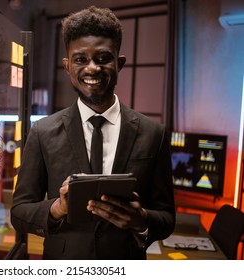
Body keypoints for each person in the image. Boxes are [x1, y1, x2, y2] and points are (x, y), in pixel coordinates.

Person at [10, 6, 175, 259]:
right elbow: (19, 212)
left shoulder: (154, 133)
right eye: (80, 59)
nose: (92, 68)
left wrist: (140, 219)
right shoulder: (43, 132)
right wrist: (58, 207)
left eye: (103, 58)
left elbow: (166, 218)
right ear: (67, 67)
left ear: (119, 64)